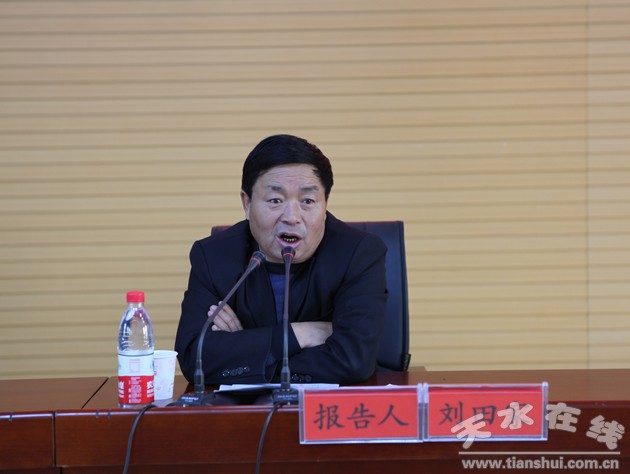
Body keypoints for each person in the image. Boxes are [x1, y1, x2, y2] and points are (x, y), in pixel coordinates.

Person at [175, 134, 388, 385]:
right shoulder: (214, 256)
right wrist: (298, 335)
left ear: (325, 204)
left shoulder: (358, 254)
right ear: (247, 203)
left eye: (307, 201)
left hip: (330, 405)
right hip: (243, 406)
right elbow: (195, 359)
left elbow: (353, 360)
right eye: (275, 200)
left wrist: (249, 350)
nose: (292, 217)